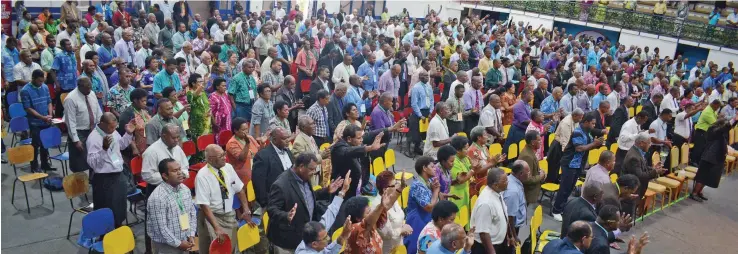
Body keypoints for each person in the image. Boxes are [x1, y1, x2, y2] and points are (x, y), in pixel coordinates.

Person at [267, 153, 350, 253]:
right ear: (301, 167)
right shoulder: (280, 185)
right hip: (288, 242)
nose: (314, 172)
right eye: (312, 169)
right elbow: (271, 210)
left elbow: (306, 198)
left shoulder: (304, 177)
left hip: (306, 236)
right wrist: (286, 216)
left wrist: (326, 190)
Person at [195, 144, 254, 254]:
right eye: (221, 155)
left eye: (224, 154)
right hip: (212, 217)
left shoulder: (228, 167)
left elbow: (239, 190)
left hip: (229, 214)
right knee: (217, 250)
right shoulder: (202, 176)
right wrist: (217, 228)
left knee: (230, 249)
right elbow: (204, 206)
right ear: (211, 159)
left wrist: (246, 210)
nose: (224, 157)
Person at [87, 112, 135, 227]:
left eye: (115, 127)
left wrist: (128, 134)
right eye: (111, 127)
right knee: (107, 208)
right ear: (102, 123)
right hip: (105, 179)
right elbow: (92, 163)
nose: (113, 130)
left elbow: (121, 146)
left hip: (118, 174)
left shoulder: (112, 132)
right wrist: (104, 149)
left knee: (119, 206)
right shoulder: (93, 138)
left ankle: (118, 229)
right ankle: (106, 234)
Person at [552, 114, 604, 222]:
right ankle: (556, 210)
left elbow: (588, 145)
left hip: (578, 164)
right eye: (592, 123)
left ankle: (562, 207)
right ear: (586, 122)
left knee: (570, 188)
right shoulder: (577, 132)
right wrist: (594, 144)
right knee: (565, 188)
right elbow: (579, 148)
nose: (594, 125)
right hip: (570, 163)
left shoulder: (587, 132)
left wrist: (597, 144)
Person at [147, 158, 197, 254]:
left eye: (179, 169)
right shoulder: (158, 197)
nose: (180, 173)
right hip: (166, 247)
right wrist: (178, 244)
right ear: (165, 176)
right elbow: (160, 229)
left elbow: (192, 213)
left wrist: (191, 234)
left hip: (185, 240)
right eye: (175, 171)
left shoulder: (185, 189)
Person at [64, 77, 103, 173]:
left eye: (90, 87)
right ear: (80, 86)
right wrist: (76, 140)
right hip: (79, 132)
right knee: (79, 162)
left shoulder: (91, 94)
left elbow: (97, 111)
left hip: (92, 129)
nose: (89, 90)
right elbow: (70, 121)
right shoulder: (71, 99)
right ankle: (78, 183)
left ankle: (92, 180)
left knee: (94, 157)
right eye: (87, 88)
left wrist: (101, 128)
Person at [470, 168, 513, 254]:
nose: (508, 182)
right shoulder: (486, 203)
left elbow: (504, 214)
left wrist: (508, 235)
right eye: (505, 181)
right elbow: (483, 233)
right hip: (486, 247)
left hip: (499, 242)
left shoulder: (497, 192)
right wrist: (492, 252)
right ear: (495, 185)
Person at [623, 133, 667, 215]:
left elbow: (643, 167)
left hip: (637, 190)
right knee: (628, 214)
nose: (650, 145)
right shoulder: (634, 157)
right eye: (649, 143)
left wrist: (654, 168)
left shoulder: (638, 152)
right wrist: (655, 172)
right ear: (642, 143)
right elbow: (640, 176)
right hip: (632, 191)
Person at [252, 126, 294, 208]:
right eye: (284, 139)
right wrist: (267, 203)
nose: (287, 141)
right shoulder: (263, 156)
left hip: (291, 198)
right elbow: (259, 184)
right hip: (274, 202)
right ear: (274, 139)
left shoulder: (288, 151)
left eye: (288, 138)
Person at [692, 119, 733, 202]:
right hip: (709, 157)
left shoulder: (719, 131)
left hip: (714, 158)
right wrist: (732, 120)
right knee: (702, 176)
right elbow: (723, 129)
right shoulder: (713, 130)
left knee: (707, 177)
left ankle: (699, 192)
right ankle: (694, 193)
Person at [370, 171, 412, 252]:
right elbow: (385, 234)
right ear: (385, 189)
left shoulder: (393, 199)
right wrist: (402, 230)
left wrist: (404, 226)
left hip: (398, 244)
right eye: (394, 184)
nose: (398, 185)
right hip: (387, 249)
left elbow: (399, 217)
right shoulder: (377, 206)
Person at [21, 70, 54, 172]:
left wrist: (50, 114)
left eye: (43, 81)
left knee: (45, 144)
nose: (41, 83)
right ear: (33, 79)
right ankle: (34, 166)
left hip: (46, 120)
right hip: (35, 122)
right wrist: (41, 117)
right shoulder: (25, 90)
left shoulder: (44, 87)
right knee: (35, 145)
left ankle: (45, 164)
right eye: (39, 81)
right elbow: (28, 108)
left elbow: (49, 101)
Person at [292, 116, 332, 186]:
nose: (315, 126)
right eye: (312, 124)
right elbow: (302, 162)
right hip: (309, 179)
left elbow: (315, 152)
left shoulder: (310, 137)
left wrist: (324, 153)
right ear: (304, 127)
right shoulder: (299, 142)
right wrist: (321, 156)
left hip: (316, 175)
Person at [504, 160, 530, 240]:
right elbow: (509, 217)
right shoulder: (513, 192)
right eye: (528, 172)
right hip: (510, 229)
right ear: (521, 174)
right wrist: (513, 236)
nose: (529, 174)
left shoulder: (513, 180)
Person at [519, 130, 547, 204]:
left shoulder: (531, 151)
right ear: (533, 142)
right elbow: (526, 179)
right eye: (539, 140)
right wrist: (540, 176)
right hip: (527, 192)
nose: (541, 141)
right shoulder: (527, 156)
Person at [409, 71, 434, 155]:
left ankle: (422, 148)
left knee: (426, 132)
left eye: (428, 75)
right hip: (418, 112)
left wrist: (430, 112)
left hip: (427, 111)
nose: (427, 77)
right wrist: (420, 115)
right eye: (425, 76)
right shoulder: (416, 87)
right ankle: (414, 148)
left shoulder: (429, 86)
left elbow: (431, 100)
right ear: (420, 77)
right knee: (417, 132)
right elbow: (414, 103)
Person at [504, 88, 533, 154]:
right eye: (530, 94)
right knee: (513, 152)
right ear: (525, 95)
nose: (532, 96)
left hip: (523, 131)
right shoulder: (519, 105)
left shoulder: (528, 105)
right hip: (517, 132)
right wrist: (536, 123)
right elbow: (524, 120)